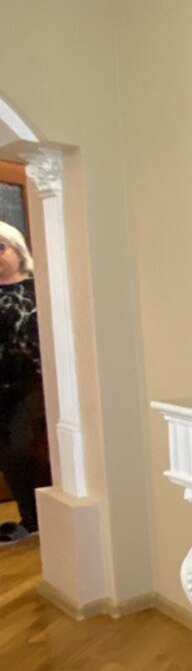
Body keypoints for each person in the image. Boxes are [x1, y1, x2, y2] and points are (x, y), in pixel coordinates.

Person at [0, 220, 50, 544]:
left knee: (25, 452)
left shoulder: (39, 289)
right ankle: (30, 521)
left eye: (0, 247)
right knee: (9, 458)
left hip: (33, 386)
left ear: (18, 250)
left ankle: (44, 520)